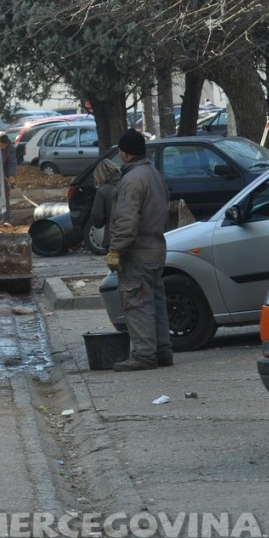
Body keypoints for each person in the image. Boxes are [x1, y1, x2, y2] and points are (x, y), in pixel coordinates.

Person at [106, 129, 173, 372]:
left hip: (137, 251)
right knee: (156, 300)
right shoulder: (154, 174)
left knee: (138, 302)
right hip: (156, 247)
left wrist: (115, 250)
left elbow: (126, 222)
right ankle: (163, 351)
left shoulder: (132, 180)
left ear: (124, 154)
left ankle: (144, 355)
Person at [89, 158, 121, 250]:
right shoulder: (128, 183)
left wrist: (99, 223)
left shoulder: (103, 191)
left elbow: (97, 216)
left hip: (112, 235)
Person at [0, 134, 18, 225]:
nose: (2, 147)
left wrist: (11, 176)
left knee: (5, 196)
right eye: (1, 145)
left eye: (4, 146)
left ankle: (6, 219)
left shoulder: (11, 149)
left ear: (7, 144)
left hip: (5, 175)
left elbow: (12, 163)